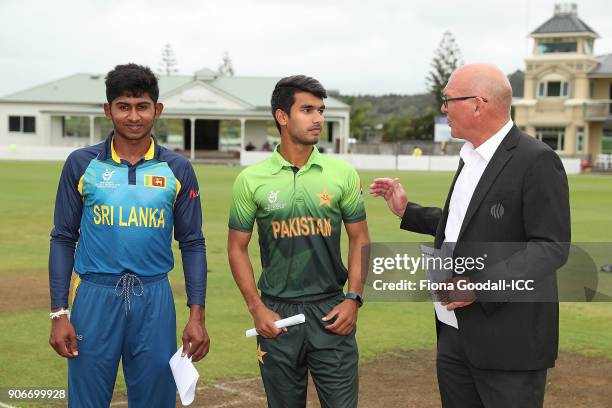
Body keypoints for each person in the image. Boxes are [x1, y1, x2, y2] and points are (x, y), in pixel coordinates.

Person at [370, 64, 570, 408]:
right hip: (453, 331)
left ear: (478, 103)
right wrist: (408, 212)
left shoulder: (536, 160)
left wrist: (478, 286)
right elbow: (465, 224)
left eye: (449, 100)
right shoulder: (469, 158)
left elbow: (551, 247)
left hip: (509, 343)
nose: (443, 108)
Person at [48, 63, 210, 407]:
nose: (133, 116)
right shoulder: (81, 164)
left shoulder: (177, 169)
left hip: (154, 298)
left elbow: (192, 243)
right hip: (94, 295)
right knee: (86, 401)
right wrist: (58, 313)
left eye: (142, 106)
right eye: (123, 106)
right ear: (108, 110)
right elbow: (63, 237)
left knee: (154, 400)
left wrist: (197, 316)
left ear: (157, 110)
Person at [227, 75, 370, 408]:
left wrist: (354, 298)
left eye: (320, 110)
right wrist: (256, 307)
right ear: (282, 116)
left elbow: (360, 238)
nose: (318, 118)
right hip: (277, 313)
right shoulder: (251, 179)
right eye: (307, 109)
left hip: (331, 311)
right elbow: (236, 247)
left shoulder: (342, 174)